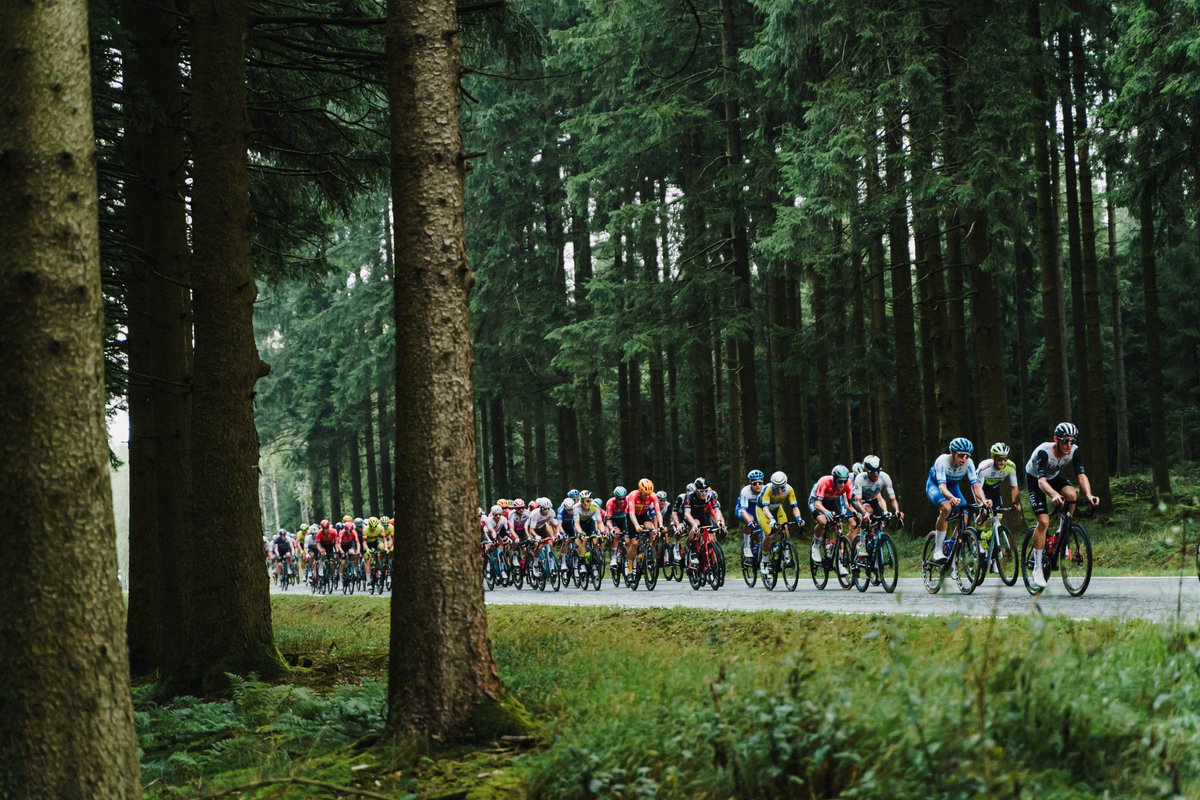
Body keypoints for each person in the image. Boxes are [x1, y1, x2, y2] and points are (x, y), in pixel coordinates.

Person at [1024, 422, 1099, 589]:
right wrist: (1054, 495)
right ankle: (1037, 567)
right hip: (1036, 479)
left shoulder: (1074, 450)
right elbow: (1042, 482)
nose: (1069, 445)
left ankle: (1062, 531)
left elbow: (1081, 476)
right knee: (1043, 522)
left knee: (1072, 494)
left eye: (1072, 441)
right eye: (1065, 441)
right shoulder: (1044, 452)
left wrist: (1089, 494)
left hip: (1053, 477)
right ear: (1056, 440)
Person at [926, 437, 987, 563]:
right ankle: (938, 550)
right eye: (961, 455)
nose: (964, 459)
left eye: (967, 456)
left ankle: (952, 544)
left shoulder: (969, 463)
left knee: (964, 516)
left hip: (953, 486)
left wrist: (984, 501)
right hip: (935, 485)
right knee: (946, 508)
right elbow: (942, 487)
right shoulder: (942, 461)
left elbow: (976, 486)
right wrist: (950, 498)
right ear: (952, 453)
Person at [755, 471, 805, 577]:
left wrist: (798, 518)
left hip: (777, 508)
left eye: (782, 487)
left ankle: (786, 554)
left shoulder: (789, 489)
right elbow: (765, 509)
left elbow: (795, 507)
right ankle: (764, 559)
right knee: (770, 534)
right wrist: (772, 519)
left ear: (785, 485)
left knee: (785, 528)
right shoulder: (767, 489)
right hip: (763, 510)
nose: (779, 490)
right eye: (776, 488)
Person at [851, 455, 903, 554]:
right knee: (868, 513)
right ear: (866, 471)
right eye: (872, 472)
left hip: (873, 499)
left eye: (877, 471)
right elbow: (857, 501)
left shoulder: (885, 477)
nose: (875, 475)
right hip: (860, 500)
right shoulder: (860, 478)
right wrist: (865, 513)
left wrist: (896, 511)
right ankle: (862, 544)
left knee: (882, 519)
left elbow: (893, 499)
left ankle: (877, 548)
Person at [808, 465, 854, 566]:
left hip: (832, 500)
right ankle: (816, 544)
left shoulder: (847, 485)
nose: (842, 484)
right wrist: (826, 512)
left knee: (839, 523)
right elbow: (817, 504)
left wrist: (856, 513)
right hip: (817, 501)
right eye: (840, 481)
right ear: (834, 479)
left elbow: (849, 505)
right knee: (823, 521)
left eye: (845, 481)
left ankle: (837, 553)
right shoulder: (825, 482)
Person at [682, 476, 726, 567]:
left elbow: (717, 510)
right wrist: (693, 524)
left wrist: (718, 521)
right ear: (696, 490)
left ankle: (708, 556)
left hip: (704, 515)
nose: (704, 493)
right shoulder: (690, 496)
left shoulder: (711, 494)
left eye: (706, 491)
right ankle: (692, 551)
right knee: (696, 526)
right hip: (692, 516)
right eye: (701, 491)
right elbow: (687, 513)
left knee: (710, 535)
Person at [623, 478, 661, 577]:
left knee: (652, 530)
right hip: (632, 517)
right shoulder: (633, 495)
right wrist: (636, 525)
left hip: (643, 515)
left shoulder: (653, 496)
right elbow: (631, 513)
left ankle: (648, 553)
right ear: (640, 491)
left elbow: (658, 512)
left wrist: (660, 526)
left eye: (649, 494)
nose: (647, 496)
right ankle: (630, 568)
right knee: (634, 543)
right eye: (645, 494)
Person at [736, 470, 765, 560]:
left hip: (758, 510)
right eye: (754, 483)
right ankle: (747, 546)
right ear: (750, 483)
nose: (757, 485)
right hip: (744, 509)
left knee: (762, 537)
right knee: (750, 520)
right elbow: (744, 510)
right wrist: (749, 521)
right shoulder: (746, 491)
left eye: (760, 483)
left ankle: (759, 556)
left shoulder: (765, 489)